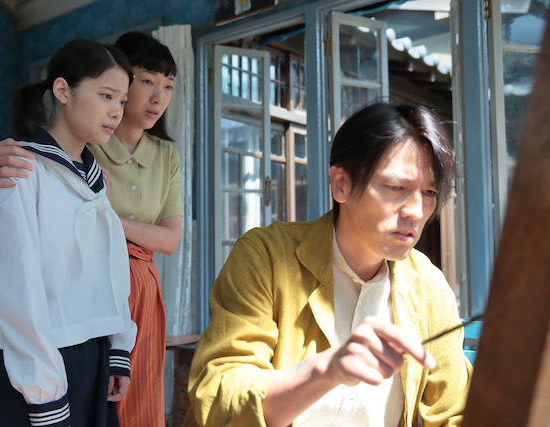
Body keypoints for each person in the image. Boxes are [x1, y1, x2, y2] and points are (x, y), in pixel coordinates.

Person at [185, 103, 472, 427]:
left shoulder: (428, 287)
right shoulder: (266, 257)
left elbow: (457, 412)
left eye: (429, 192)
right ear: (341, 184)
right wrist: (326, 370)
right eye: (396, 187)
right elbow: (219, 397)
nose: (416, 212)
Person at [0, 32, 183, 427]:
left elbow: (109, 271)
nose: (116, 111)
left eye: (121, 100)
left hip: (91, 355)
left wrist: (116, 350)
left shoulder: (96, 180)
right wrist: (44, 390)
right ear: (63, 91)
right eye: (106, 96)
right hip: (33, 364)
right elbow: (15, 296)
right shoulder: (18, 170)